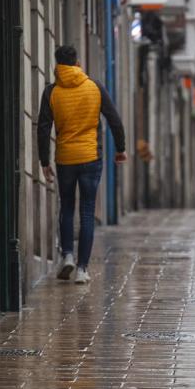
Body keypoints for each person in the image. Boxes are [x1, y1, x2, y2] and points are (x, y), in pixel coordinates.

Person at [37, 45, 127, 284]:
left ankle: (67, 254)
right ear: (77, 62)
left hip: (65, 158)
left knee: (66, 207)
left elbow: (43, 129)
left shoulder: (51, 92)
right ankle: (82, 269)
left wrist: (44, 161)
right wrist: (121, 149)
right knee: (87, 212)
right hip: (90, 157)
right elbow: (115, 120)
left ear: (57, 65)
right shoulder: (94, 87)